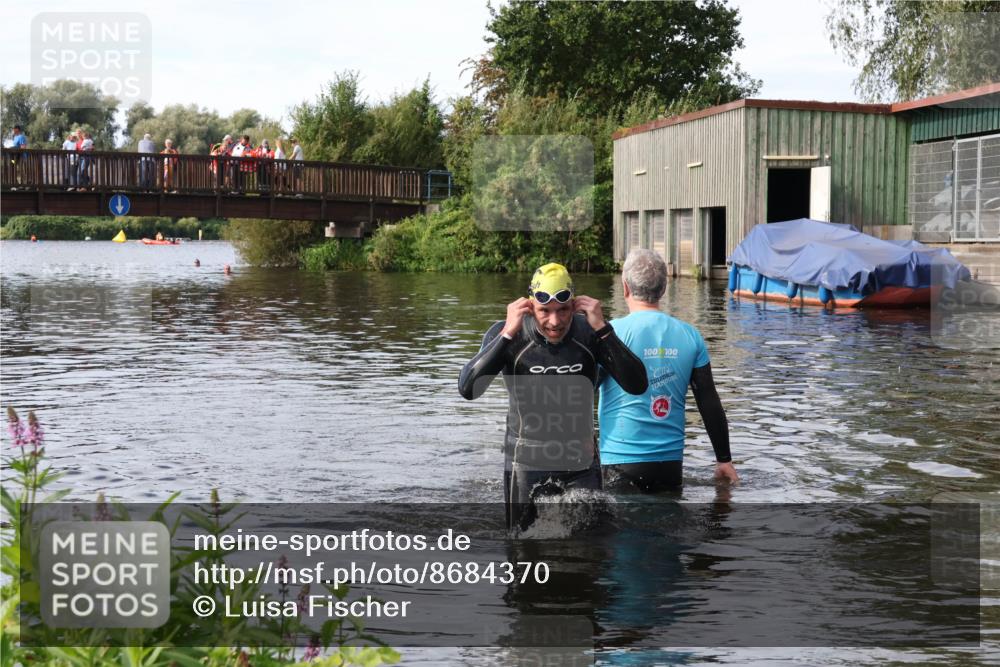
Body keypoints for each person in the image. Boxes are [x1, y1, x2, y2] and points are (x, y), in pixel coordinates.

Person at [458, 263, 648, 531]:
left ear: (574, 305)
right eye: (544, 311)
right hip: (525, 463)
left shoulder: (590, 333)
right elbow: (468, 389)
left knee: (590, 552)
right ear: (529, 306)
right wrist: (507, 334)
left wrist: (603, 329)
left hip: (581, 464)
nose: (555, 321)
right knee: (522, 551)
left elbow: (638, 385)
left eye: (563, 310)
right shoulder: (509, 334)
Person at [598, 249, 738, 494]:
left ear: (625, 287)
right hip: (670, 465)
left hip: (619, 462)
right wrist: (724, 459)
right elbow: (708, 400)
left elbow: (583, 390)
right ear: (664, 289)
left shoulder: (610, 334)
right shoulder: (690, 335)